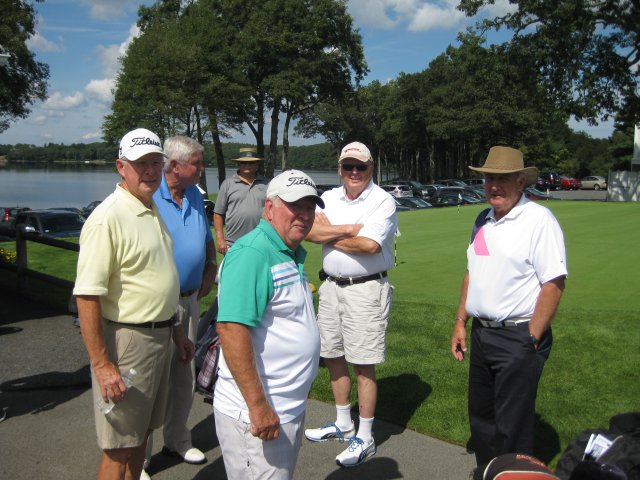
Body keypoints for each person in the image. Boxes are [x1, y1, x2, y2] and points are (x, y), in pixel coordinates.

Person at [73, 128, 194, 480]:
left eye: (156, 162)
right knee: (118, 449)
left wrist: (177, 333)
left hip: (159, 338)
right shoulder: (107, 218)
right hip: (128, 343)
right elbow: (87, 295)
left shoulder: (150, 208)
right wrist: (102, 365)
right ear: (121, 166)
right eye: (141, 164)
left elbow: (157, 279)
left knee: (140, 438)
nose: (150, 171)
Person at [450, 146, 567, 468]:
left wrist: (531, 337)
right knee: (482, 418)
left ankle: (514, 474)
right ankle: (490, 473)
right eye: (489, 178)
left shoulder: (539, 220)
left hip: (518, 336)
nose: (494, 186)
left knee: (512, 425)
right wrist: (460, 321)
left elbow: (554, 283)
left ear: (520, 182)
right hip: (482, 334)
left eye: (502, 179)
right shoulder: (483, 219)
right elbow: (472, 272)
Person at [213, 169, 323, 480]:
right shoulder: (252, 253)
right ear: (270, 207)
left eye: (310, 207)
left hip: (286, 407)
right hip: (257, 413)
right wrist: (259, 406)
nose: (304, 214)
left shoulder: (287, 251)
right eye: (295, 206)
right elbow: (231, 330)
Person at [304, 141, 398, 468]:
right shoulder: (329, 197)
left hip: (366, 290)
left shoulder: (382, 200)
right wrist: (346, 231)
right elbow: (309, 231)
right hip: (331, 286)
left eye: (361, 166)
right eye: (348, 166)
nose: (354, 172)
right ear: (340, 168)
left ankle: (366, 436)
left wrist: (328, 232)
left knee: (363, 362)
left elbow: (370, 245)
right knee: (331, 354)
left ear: (371, 168)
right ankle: (343, 423)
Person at [144, 136, 216, 475]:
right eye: (197, 163)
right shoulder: (149, 195)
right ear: (175, 166)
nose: (202, 169)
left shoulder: (194, 195)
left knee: (184, 374)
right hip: (157, 304)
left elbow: (206, 239)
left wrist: (210, 266)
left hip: (189, 299)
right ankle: (140, 458)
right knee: (151, 381)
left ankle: (176, 439)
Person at [213, 147, 268, 255]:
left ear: (257, 164)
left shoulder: (267, 184)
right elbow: (218, 214)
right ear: (238, 164)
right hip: (233, 243)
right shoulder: (228, 184)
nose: (247, 165)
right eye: (243, 162)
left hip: (261, 242)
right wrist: (220, 239)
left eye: (251, 163)